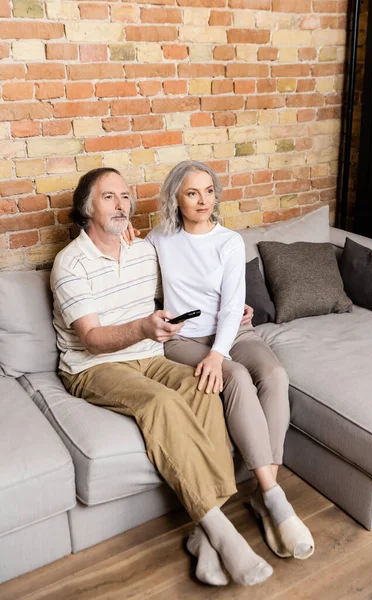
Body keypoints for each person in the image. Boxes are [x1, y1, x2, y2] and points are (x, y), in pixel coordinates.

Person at [50, 167, 273, 588]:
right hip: (94, 366)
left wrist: (235, 308)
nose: (121, 205)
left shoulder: (142, 249)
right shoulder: (70, 263)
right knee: (163, 403)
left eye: (125, 197)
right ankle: (221, 532)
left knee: (207, 385)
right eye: (109, 198)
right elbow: (92, 339)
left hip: (148, 355)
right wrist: (142, 329)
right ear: (86, 209)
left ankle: (202, 536)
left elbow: (191, 284)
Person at [142, 161, 315, 561]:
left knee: (274, 372)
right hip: (185, 339)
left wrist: (219, 351)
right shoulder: (160, 239)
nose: (203, 200)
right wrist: (129, 236)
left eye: (209, 191)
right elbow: (128, 258)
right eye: (192, 193)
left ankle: (262, 492)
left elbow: (232, 304)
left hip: (233, 330)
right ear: (176, 199)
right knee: (235, 376)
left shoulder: (229, 242)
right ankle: (274, 498)